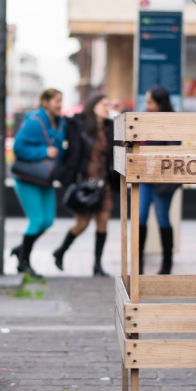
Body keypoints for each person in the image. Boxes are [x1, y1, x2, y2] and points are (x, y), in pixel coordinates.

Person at [53, 94, 117, 276]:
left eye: (108, 105)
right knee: (82, 224)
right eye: (104, 104)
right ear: (94, 106)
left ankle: (97, 265)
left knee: (103, 224)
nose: (107, 108)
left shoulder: (109, 128)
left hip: (104, 184)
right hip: (85, 183)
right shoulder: (80, 126)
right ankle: (60, 251)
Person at [10, 88, 66, 278]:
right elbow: (18, 147)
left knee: (48, 221)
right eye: (57, 101)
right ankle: (23, 262)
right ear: (45, 102)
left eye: (61, 101)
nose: (60, 104)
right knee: (37, 220)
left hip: (45, 178)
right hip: (27, 179)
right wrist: (44, 152)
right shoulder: (35, 122)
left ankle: (21, 248)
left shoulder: (59, 123)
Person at [138, 86, 181, 275]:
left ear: (159, 103)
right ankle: (137, 261)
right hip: (144, 176)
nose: (146, 105)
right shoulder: (143, 119)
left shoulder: (171, 121)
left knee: (162, 217)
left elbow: (172, 150)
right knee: (140, 217)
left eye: (149, 102)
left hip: (163, 181)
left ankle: (166, 263)